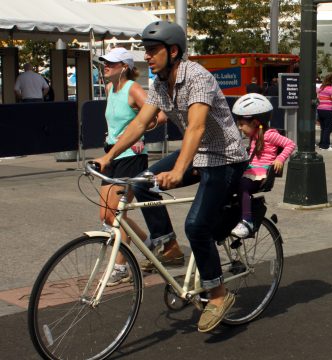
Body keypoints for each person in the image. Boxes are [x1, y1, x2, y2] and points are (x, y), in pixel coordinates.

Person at [94, 21, 249, 333]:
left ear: (173, 51)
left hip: (225, 157)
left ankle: (218, 295)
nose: (147, 57)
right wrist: (108, 157)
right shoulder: (160, 84)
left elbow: (196, 127)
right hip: (197, 153)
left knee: (196, 224)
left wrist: (179, 171)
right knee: (142, 181)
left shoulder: (197, 76)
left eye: (153, 51)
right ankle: (169, 247)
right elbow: (139, 123)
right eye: (146, 51)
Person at [97, 47, 152, 286]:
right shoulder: (110, 89)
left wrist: (139, 135)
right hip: (111, 155)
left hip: (131, 157)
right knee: (106, 215)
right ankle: (148, 243)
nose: (105, 66)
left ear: (125, 67)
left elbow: (156, 116)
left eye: (111, 62)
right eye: (104, 62)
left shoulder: (134, 89)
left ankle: (120, 266)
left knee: (117, 214)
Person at [230, 94, 296, 238]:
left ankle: (247, 221)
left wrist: (280, 158)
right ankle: (235, 216)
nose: (240, 128)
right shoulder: (254, 135)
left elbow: (290, 144)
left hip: (261, 174)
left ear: (254, 122)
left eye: (241, 124)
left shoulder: (269, 134)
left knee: (243, 185)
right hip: (252, 171)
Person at [316, 73, 332, 151]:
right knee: (328, 128)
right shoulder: (331, 89)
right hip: (328, 110)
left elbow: (317, 97)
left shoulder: (321, 88)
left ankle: (322, 144)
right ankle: (325, 146)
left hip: (320, 109)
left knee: (323, 128)